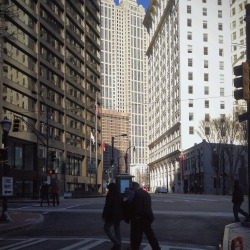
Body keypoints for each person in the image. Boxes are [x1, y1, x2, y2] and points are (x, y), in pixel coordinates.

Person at [129, 181, 161, 250]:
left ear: (134, 187)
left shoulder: (137, 194)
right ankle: (156, 248)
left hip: (141, 218)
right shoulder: (146, 193)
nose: (131, 189)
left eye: (132, 188)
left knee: (138, 235)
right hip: (148, 216)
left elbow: (137, 206)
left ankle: (135, 247)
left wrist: (136, 216)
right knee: (149, 235)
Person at [102, 183, 123, 250]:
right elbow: (122, 205)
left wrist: (104, 215)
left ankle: (116, 242)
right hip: (119, 215)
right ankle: (118, 245)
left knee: (106, 228)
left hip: (111, 215)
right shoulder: (119, 194)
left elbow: (107, 206)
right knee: (117, 230)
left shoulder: (110, 194)